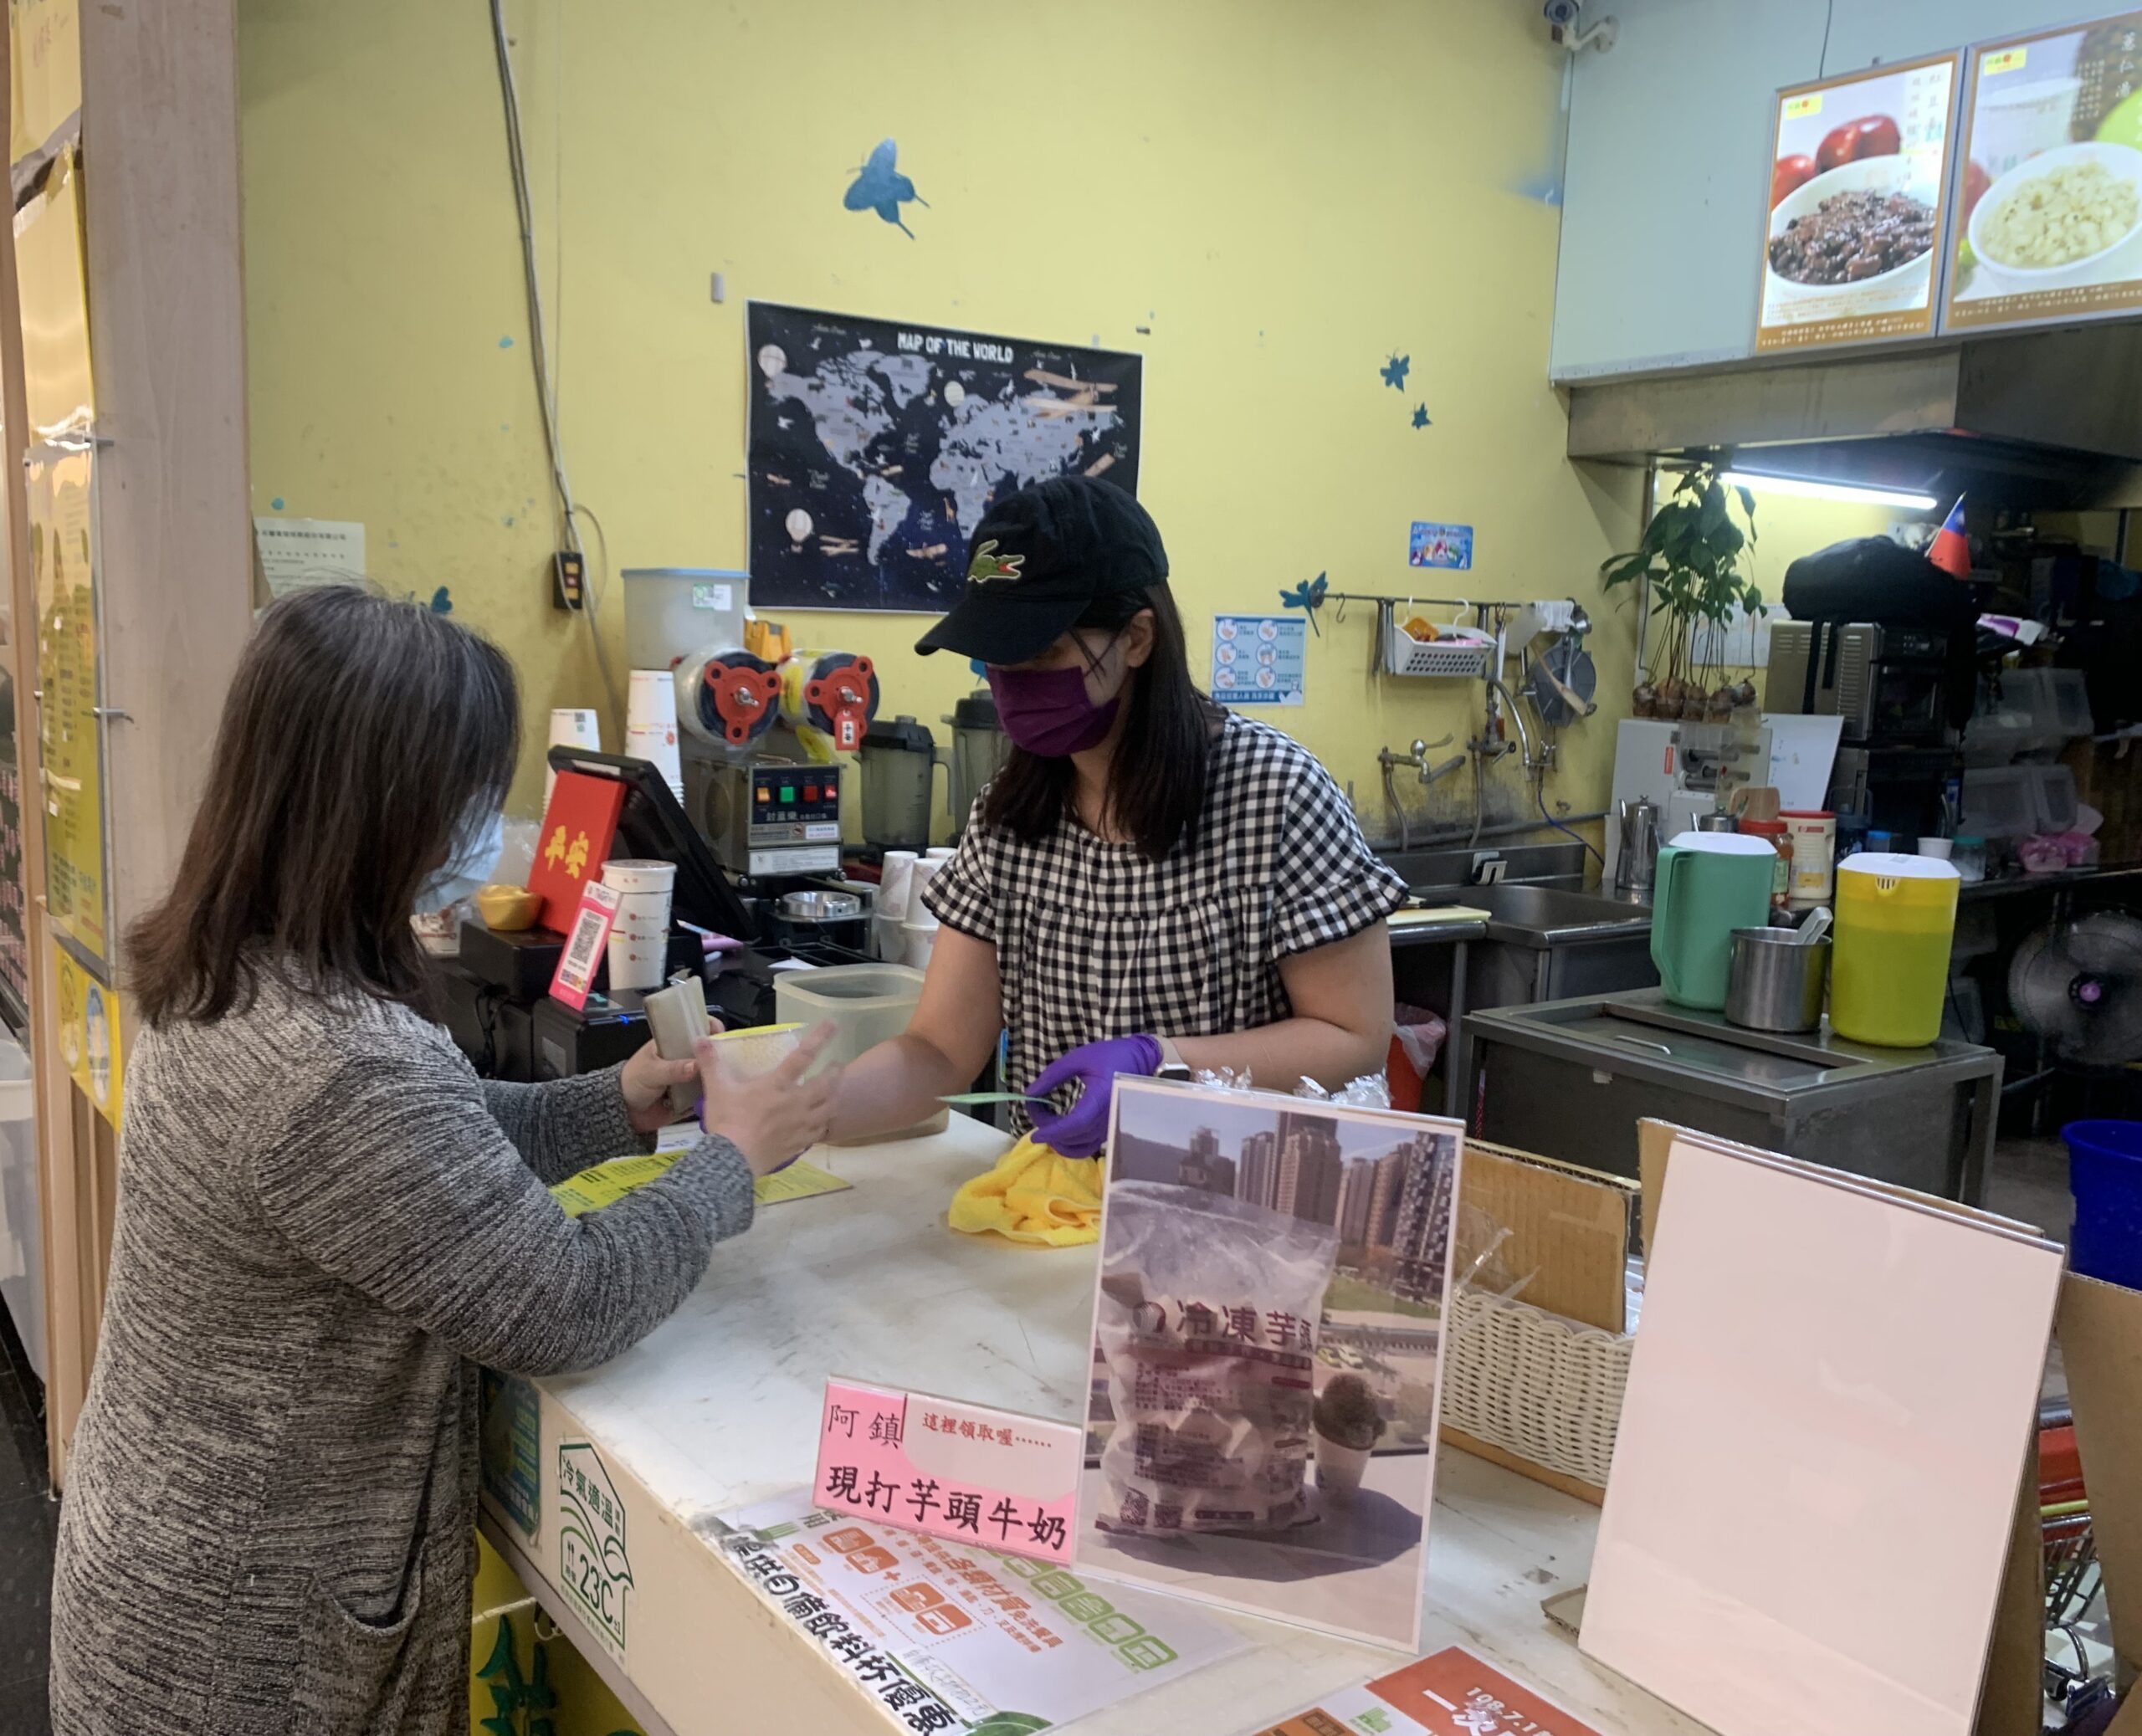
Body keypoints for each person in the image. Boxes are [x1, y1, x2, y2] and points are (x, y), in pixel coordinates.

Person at [49, 587, 836, 1736]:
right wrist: (731, 1162)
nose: (493, 827)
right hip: (240, 1653)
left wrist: (617, 1102)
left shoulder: (237, 972)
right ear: (382, 809)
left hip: (165, 1573)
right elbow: (562, 1300)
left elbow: (425, 1163)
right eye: (473, 794)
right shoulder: (337, 1061)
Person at [832, 476, 1402, 1155]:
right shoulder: (1008, 819)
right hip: (1057, 1211)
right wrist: (809, 1110)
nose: (1012, 681)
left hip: (1235, 1212)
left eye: (1042, 650)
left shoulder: (1275, 795)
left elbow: (1354, 1040)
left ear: (1136, 638)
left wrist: (1160, 1061)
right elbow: (938, 1049)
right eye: (997, 655)